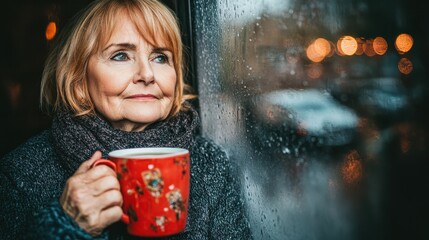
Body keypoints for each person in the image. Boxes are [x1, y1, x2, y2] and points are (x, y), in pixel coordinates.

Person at [0, 0, 252, 239]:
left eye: (160, 57)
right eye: (120, 55)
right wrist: (64, 225)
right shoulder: (21, 174)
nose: (147, 74)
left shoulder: (211, 164)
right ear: (78, 82)